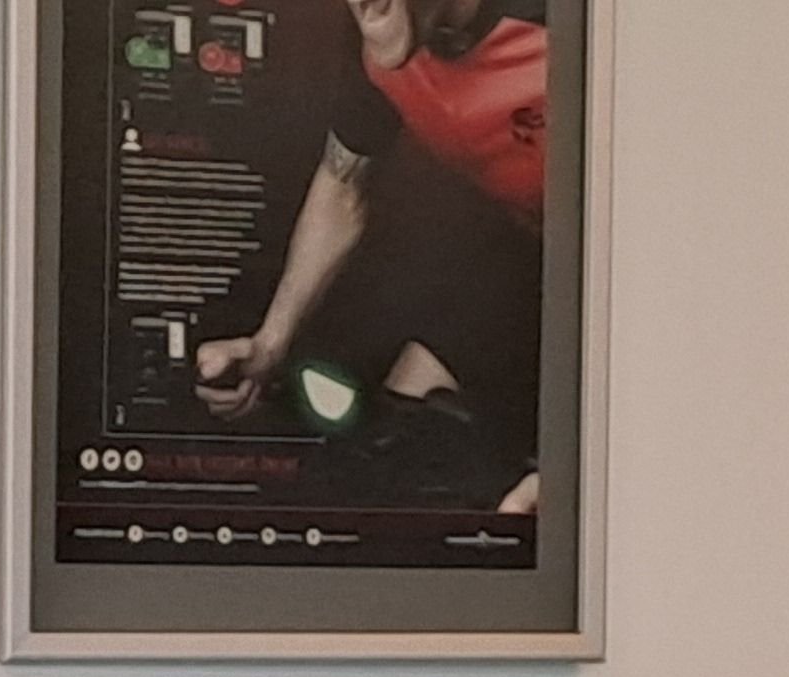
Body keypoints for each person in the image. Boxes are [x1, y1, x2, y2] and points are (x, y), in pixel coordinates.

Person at [190, 0, 554, 516]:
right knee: (407, 444)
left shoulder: (568, 28)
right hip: (529, 269)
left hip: (638, 289)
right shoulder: (371, 46)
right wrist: (271, 342)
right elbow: (343, 183)